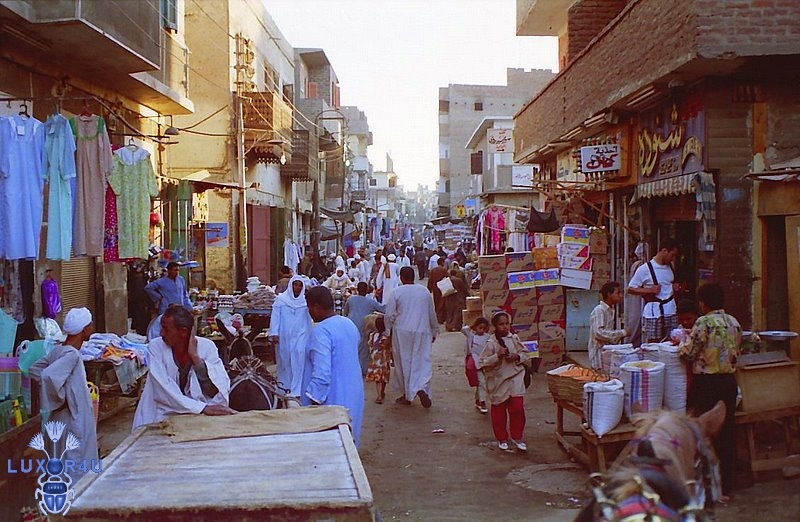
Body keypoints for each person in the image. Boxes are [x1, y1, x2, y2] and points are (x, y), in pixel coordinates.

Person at [678, 283, 741, 500]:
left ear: (703, 303)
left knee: (700, 432)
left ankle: (702, 485)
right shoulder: (734, 322)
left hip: (706, 385)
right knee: (727, 433)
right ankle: (726, 488)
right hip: (729, 383)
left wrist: (680, 344)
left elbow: (688, 353)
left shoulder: (703, 323)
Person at [132, 305, 234, 431]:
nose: (161, 333)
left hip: (195, 419)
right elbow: (163, 389)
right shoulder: (156, 347)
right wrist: (201, 408)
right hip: (158, 414)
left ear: (183, 332)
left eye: (166, 329)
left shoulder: (207, 347)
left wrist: (195, 358)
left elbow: (217, 390)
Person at [29, 307, 98, 472]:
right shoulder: (71, 355)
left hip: (62, 418)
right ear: (84, 329)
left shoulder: (58, 350)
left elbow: (34, 369)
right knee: (76, 467)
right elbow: (47, 376)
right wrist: (61, 399)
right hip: (72, 419)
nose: (92, 327)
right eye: (90, 325)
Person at [301, 287, 365, 447]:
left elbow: (322, 374)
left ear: (316, 307)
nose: (309, 312)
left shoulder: (321, 332)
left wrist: (313, 404)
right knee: (350, 442)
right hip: (353, 393)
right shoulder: (348, 324)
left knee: (331, 447)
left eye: (309, 308)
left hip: (333, 399)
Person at [478, 311, 533, 452]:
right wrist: (497, 356)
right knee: (499, 412)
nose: (505, 327)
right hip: (498, 381)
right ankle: (502, 438)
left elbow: (526, 354)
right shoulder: (491, 343)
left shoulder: (514, 338)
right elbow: (482, 362)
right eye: (501, 324)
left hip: (515, 377)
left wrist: (516, 357)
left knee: (517, 409)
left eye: (507, 323)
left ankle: (517, 437)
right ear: (495, 326)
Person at [384, 266, 438, 408]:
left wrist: (388, 332)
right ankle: (420, 386)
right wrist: (434, 330)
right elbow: (431, 312)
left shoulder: (396, 292)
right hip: (422, 330)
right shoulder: (424, 291)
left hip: (402, 331)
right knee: (422, 361)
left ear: (401, 278)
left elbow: (388, 315)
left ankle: (407, 394)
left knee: (403, 362)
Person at [627, 238, 680, 343]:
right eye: (672, 255)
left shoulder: (670, 267)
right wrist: (649, 290)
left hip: (671, 310)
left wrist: (674, 288)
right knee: (653, 344)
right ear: (665, 251)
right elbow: (630, 289)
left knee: (671, 342)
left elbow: (668, 284)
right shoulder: (645, 269)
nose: (673, 258)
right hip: (653, 313)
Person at [269, 275, 312, 399]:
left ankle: (297, 388)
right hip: (284, 335)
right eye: (295, 284)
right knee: (285, 360)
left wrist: (310, 336)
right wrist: (274, 333)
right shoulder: (281, 300)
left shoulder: (305, 302)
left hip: (301, 335)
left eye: (300, 285)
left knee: (299, 358)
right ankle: (284, 386)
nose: (297, 287)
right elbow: (275, 317)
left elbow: (309, 320)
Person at [343, 282, 386, 375]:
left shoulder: (351, 299)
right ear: (367, 290)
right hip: (364, 326)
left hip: (351, 325)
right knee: (363, 349)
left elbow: (345, 312)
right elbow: (383, 309)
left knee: (351, 347)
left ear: (357, 289)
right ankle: (361, 369)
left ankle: (350, 368)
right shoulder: (370, 301)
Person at [588, 281, 628, 369]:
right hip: (598, 356)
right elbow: (599, 333)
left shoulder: (610, 311)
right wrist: (622, 333)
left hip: (605, 354)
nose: (620, 296)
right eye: (617, 293)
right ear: (609, 294)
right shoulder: (599, 310)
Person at [462, 316, 490, 414]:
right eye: (480, 328)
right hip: (475, 363)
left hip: (486, 362)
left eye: (484, 328)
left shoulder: (487, 337)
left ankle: (478, 400)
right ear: (475, 327)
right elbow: (464, 329)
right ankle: (482, 402)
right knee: (482, 382)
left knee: (482, 383)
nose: (482, 330)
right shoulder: (471, 336)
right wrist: (471, 326)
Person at [365, 314, 391, 404]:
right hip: (384, 361)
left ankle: (379, 395)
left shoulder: (372, 335)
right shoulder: (387, 337)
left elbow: (370, 345)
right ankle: (381, 393)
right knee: (383, 378)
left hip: (375, 360)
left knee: (377, 379)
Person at [624, 243, 646, 346]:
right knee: (636, 320)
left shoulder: (638, 265)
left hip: (637, 297)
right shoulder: (640, 266)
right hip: (637, 298)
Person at [427, 257, 448, 324]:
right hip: (442, 289)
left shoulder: (433, 270)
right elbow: (447, 278)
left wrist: (429, 288)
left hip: (435, 289)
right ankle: (441, 318)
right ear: (442, 263)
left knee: (436, 303)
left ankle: (437, 317)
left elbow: (430, 279)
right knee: (442, 304)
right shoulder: (444, 270)